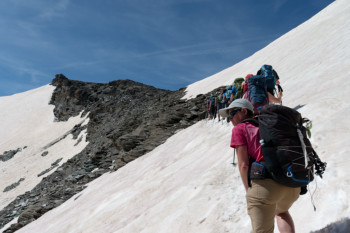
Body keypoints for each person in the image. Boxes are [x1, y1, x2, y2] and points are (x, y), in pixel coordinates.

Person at [219, 99, 300, 233]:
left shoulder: (240, 128)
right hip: (293, 184)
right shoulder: (271, 124)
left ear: (244, 111)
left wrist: (248, 190)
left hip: (267, 187)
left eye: (232, 113)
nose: (230, 119)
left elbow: (243, 165)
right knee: (282, 212)